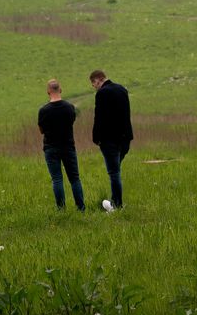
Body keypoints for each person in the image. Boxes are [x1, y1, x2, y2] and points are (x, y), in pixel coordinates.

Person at [38, 78, 85, 211]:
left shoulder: (43, 110)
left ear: (48, 91)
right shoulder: (69, 108)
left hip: (51, 148)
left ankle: (61, 209)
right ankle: (81, 208)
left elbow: (41, 130)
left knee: (57, 179)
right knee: (75, 178)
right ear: (60, 90)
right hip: (68, 146)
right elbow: (71, 122)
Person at [90, 69, 133, 210]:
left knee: (114, 173)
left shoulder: (102, 93)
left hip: (109, 140)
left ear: (98, 80)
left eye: (93, 83)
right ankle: (114, 200)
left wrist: (96, 138)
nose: (93, 87)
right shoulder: (122, 89)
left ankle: (117, 205)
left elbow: (99, 118)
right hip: (125, 138)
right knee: (116, 170)